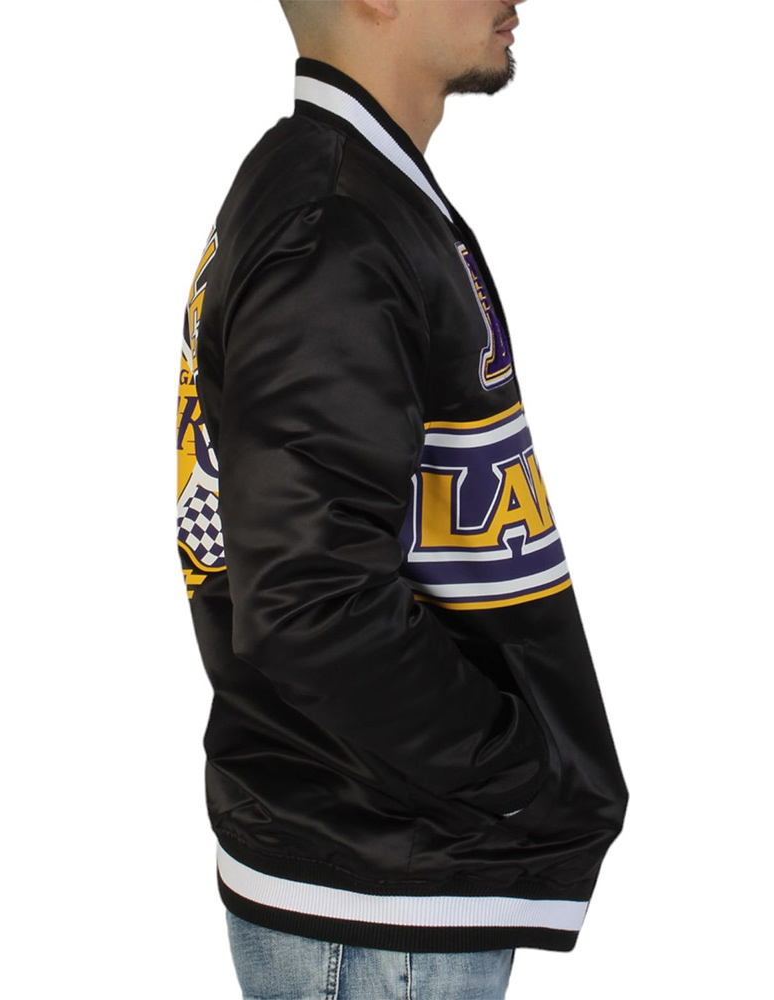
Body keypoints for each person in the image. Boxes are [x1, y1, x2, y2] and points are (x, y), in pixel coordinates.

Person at [175, 2, 628, 996]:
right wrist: (518, 773)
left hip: (385, 866)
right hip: (385, 899)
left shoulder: (353, 196)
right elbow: (309, 607)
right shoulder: (333, 226)